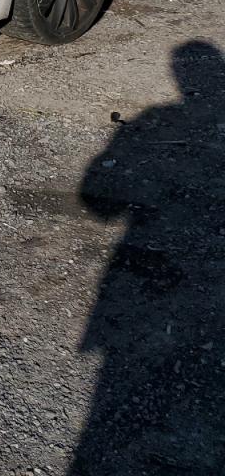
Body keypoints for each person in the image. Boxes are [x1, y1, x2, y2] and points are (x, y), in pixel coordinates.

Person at [71, 40, 225, 474]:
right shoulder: (170, 120)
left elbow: (97, 206)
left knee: (112, 398)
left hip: (130, 318)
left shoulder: (158, 119)